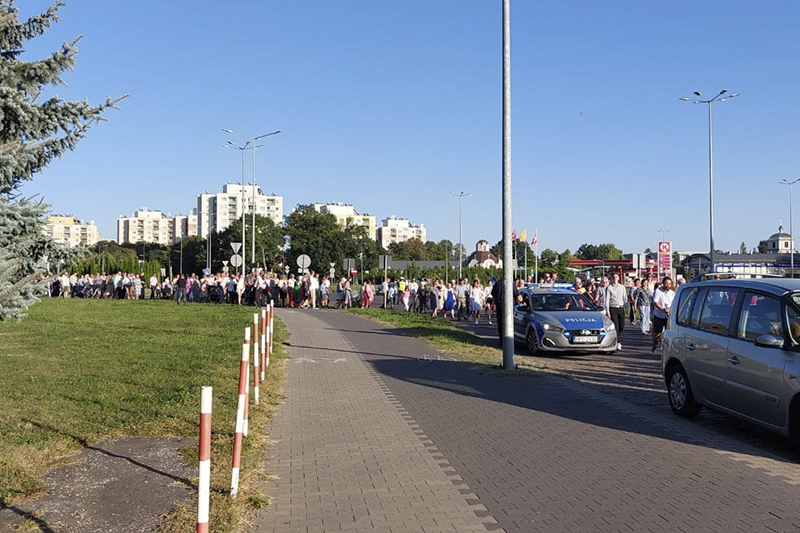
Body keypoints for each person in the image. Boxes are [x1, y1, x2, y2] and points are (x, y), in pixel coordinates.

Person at [652, 276, 675, 352]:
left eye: (669, 284)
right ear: (663, 284)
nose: (667, 285)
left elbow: (674, 304)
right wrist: (662, 309)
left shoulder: (672, 293)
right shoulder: (658, 291)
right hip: (659, 314)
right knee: (657, 332)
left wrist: (670, 309)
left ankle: (666, 346)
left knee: (668, 331)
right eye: (666, 283)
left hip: (668, 315)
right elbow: (655, 302)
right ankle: (655, 342)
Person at [604, 273, 626, 350]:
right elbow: (607, 300)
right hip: (612, 308)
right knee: (616, 326)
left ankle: (617, 337)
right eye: (613, 277)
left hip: (620, 307)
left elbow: (624, 298)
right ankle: (618, 342)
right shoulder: (609, 288)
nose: (615, 278)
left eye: (616, 277)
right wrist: (608, 311)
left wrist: (625, 307)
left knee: (622, 326)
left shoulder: (622, 287)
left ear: (619, 278)